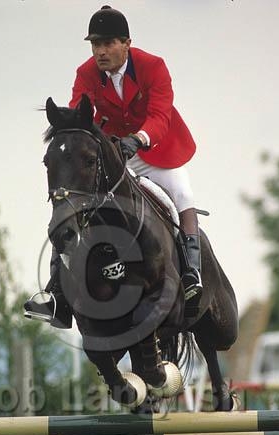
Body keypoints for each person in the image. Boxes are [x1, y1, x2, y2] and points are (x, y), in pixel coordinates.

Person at [26, 5, 202, 328]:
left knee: (182, 194)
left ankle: (192, 274)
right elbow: (82, 115)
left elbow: (160, 116)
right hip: (112, 155)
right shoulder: (86, 74)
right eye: (95, 44)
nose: (100, 52)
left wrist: (138, 139)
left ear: (126, 44)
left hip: (156, 149)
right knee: (72, 204)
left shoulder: (153, 67)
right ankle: (57, 295)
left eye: (107, 44)